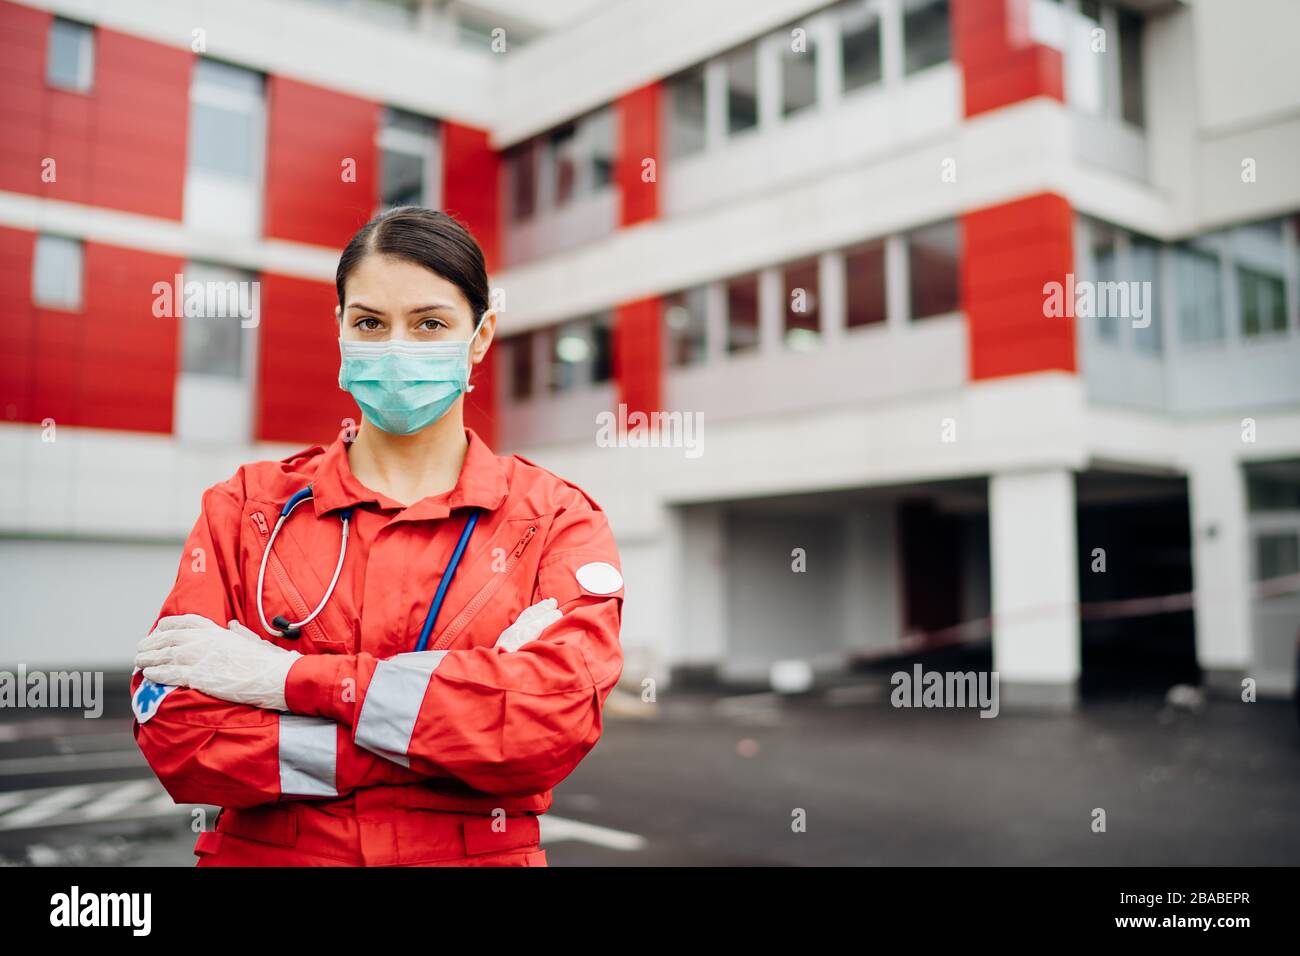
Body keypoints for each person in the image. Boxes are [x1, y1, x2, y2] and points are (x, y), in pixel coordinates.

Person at [130, 206, 625, 867]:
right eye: (370, 322)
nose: (397, 348)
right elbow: (178, 738)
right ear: (340, 331)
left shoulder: (554, 520)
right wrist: (446, 733)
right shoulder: (245, 510)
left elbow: (546, 729)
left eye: (429, 324)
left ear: (480, 337)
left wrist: (284, 680)